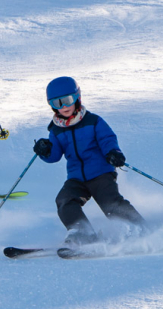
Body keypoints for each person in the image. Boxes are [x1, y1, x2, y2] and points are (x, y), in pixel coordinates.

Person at [33, 77, 146, 246]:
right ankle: (82, 232)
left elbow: (107, 139)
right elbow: (54, 156)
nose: (63, 106)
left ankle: (141, 228)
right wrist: (45, 150)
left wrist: (114, 153)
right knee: (64, 200)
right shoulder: (56, 130)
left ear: (77, 98)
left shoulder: (93, 121)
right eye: (57, 103)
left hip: (101, 173)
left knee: (110, 204)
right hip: (76, 178)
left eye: (67, 100)